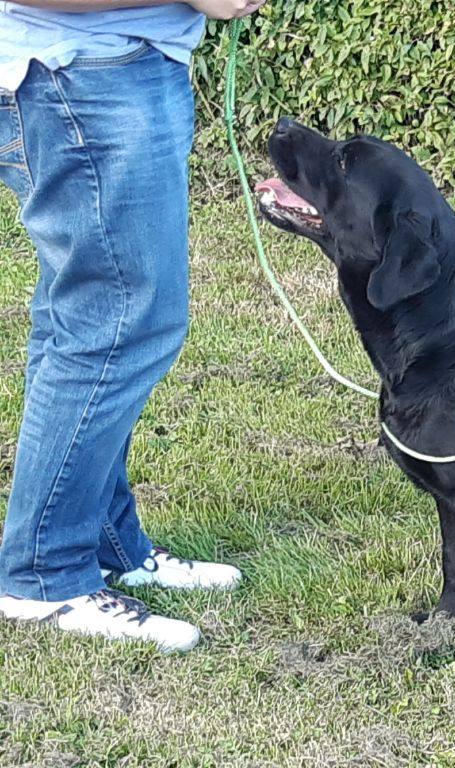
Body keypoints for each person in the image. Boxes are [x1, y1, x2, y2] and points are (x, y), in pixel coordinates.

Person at [0, 0, 267, 652]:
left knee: (87, 322)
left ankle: (103, 542)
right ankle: (43, 575)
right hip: (79, 78)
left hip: (107, 70)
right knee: (117, 324)